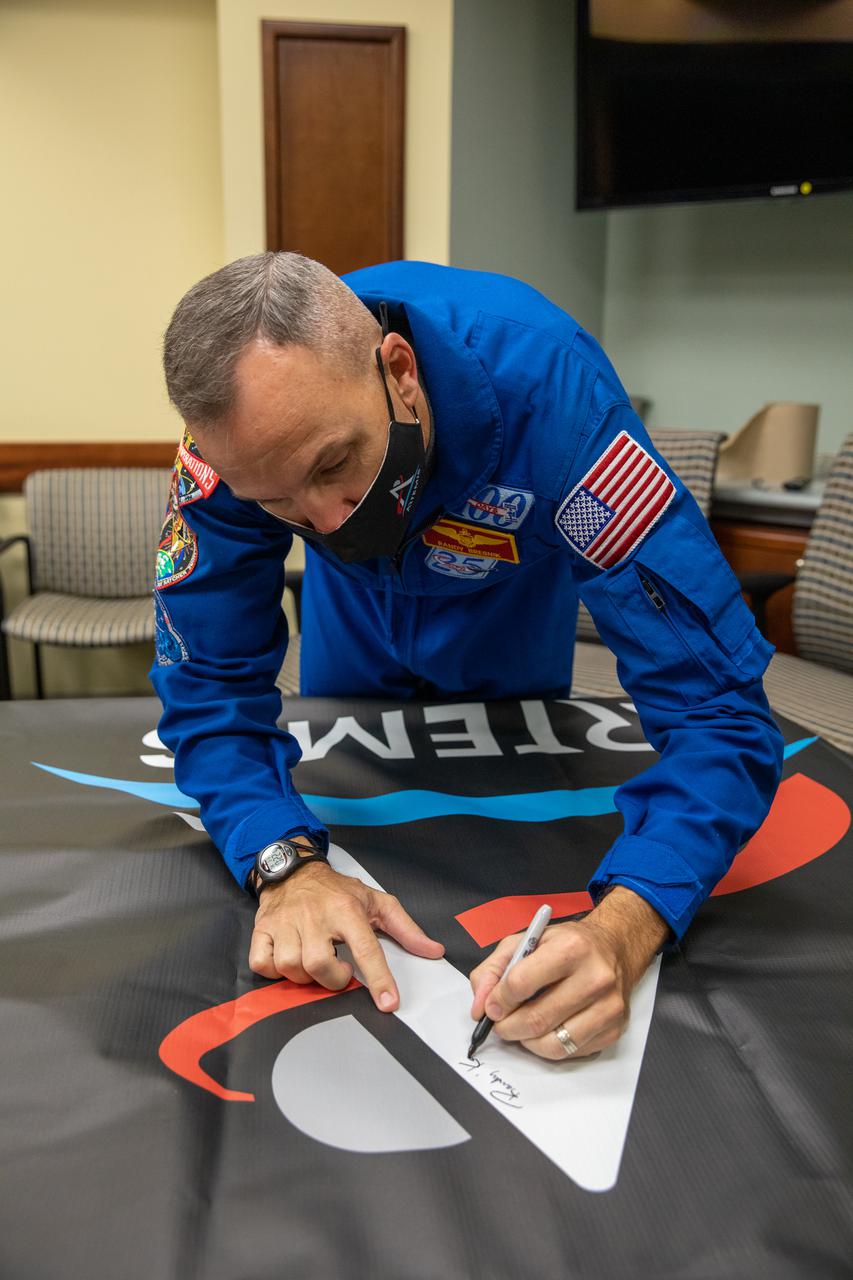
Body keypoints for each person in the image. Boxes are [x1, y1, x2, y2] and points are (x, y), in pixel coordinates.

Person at [152, 253, 783, 1063]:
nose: (326, 523)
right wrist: (282, 862)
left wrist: (627, 925)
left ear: (399, 372)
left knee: (519, 838)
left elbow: (719, 711)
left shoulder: (560, 405)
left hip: (510, 629)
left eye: (335, 465)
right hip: (352, 636)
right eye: (278, 506)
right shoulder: (230, 451)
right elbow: (208, 684)